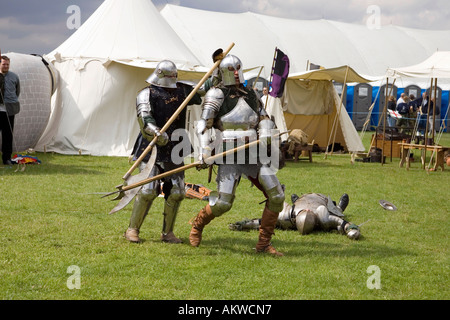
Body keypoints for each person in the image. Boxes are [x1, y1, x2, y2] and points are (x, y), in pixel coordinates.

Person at [190, 54, 286, 256]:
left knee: (277, 196)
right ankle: (198, 224)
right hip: (228, 154)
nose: (235, 72)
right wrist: (204, 153)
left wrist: (267, 131)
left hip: (254, 153)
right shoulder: (216, 94)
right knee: (224, 203)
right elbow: (203, 126)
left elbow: (263, 118)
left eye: (238, 68)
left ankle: (263, 243)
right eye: (231, 69)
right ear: (223, 72)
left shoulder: (251, 93)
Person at [124, 60, 202, 244]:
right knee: (148, 190)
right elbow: (144, 118)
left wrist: (218, 75)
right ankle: (132, 229)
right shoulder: (146, 93)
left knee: (177, 191)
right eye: (170, 75)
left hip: (176, 146)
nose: (173, 79)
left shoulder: (182, 91)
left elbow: (203, 90)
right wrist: (157, 133)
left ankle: (168, 233)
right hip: (151, 146)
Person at [229, 193, 361, 240]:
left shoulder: (287, 217)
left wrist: (245, 224)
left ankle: (296, 199)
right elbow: (343, 223)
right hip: (323, 201)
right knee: (335, 211)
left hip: (302, 201)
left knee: (288, 205)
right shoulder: (323, 217)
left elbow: (263, 222)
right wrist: (352, 229)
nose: (308, 209)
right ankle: (339, 206)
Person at [0, 55, 21, 165]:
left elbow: (17, 92)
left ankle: (7, 158)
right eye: (4, 64)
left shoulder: (14, 76)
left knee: (8, 135)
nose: (6, 66)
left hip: (9, 110)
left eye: (7, 64)